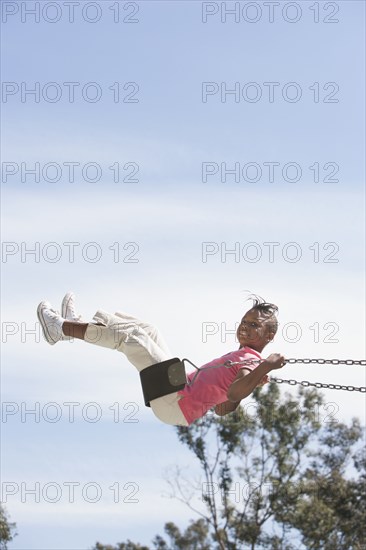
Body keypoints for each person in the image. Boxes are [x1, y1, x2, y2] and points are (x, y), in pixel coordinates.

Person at [37, 293, 286, 427]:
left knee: (134, 338)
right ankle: (76, 327)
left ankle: (61, 328)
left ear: (269, 335)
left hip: (176, 402)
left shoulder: (252, 361)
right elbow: (223, 407)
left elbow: (233, 393)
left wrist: (261, 369)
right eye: (244, 322)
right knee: (149, 330)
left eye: (254, 325)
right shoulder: (243, 358)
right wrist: (252, 381)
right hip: (176, 395)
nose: (245, 328)